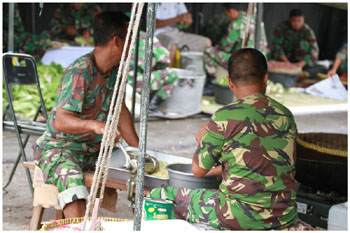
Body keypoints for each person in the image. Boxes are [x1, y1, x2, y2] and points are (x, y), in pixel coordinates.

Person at [148, 48, 314, 230]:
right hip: (284, 217)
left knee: (161, 193)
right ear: (266, 78)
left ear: (229, 82)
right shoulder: (286, 115)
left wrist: (203, 138)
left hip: (237, 217)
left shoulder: (224, 116)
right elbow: (269, 163)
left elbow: (197, 170)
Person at [32, 12, 139, 218]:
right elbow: (60, 120)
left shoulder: (117, 71)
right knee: (74, 189)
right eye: (130, 37)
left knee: (139, 174)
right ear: (117, 41)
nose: (134, 45)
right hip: (61, 148)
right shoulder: (80, 71)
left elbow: (120, 108)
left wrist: (138, 151)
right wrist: (94, 125)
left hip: (93, 150)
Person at [203, 3, 268, 77]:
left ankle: (214, 78)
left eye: (227, 13)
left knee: (207, 51)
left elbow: (224, 48)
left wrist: (210, 47)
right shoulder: (257, 21)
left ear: (231, 11)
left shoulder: (237, 24)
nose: (228, 17)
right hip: (260, 65)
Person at [128, 31, 179, 116]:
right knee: (172, 75)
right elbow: (164, 59)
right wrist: (156, 69)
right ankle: (152, 107)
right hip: (138, 82)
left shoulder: (117, 35)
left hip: (118, 82)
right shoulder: (145, 36)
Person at [271, 9, 320, 75]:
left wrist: (301, 63)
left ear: (303, 20)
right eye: (294, 21)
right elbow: (276, 45)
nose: (296, 23)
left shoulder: (307, 30)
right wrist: (286, 62)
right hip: (284, 58)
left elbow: (314, 49)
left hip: (300, 60)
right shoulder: (282, 27)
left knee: (304, 44)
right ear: (289, 20)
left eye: (299, 21)